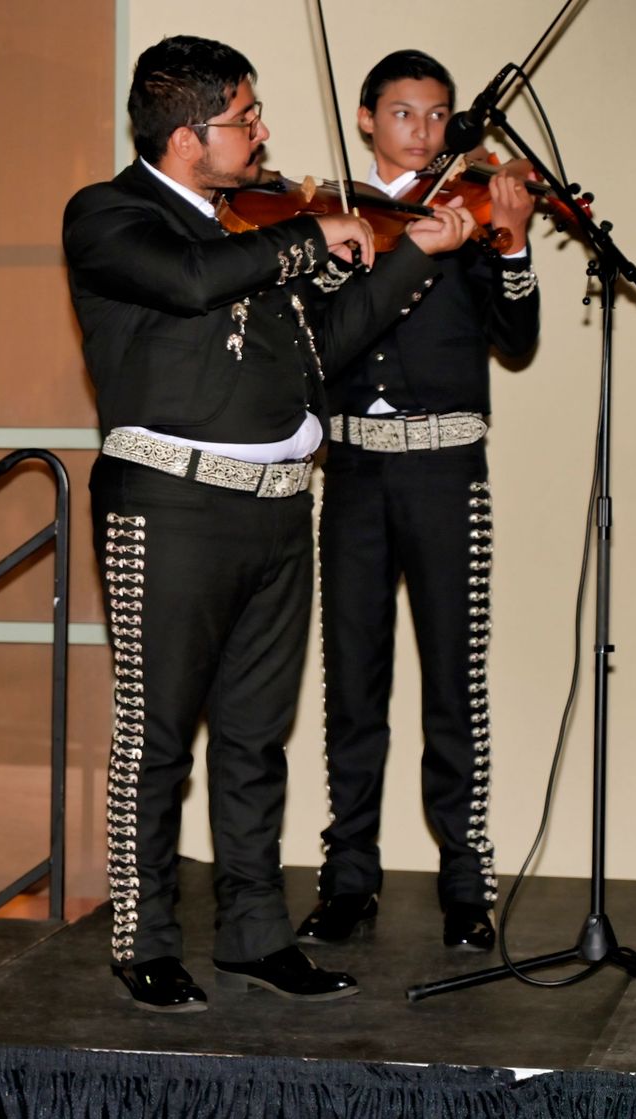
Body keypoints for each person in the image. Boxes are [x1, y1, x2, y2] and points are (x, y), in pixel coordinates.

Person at [63, 35, 477, 1014]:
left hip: (280, 509)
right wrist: (311, 235)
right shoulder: (111, 215)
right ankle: (144, 939)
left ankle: (254, 934)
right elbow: (191, 281)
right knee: (157, 736)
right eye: (245, 117)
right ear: (187, 133)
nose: (260, 133)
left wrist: (410, 256)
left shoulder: (252, 227)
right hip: (170, 506)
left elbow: (326, 344)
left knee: (256, 739)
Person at [298, 50, 540, 953]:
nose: (425, 132)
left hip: (447, 473)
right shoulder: (327, 219)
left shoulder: (470, 213)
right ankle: (347, 880)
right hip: (353, 476)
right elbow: (317, 343)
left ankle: (467, 887)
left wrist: (510, 243)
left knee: (454, 682)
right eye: (405, 114)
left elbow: (518, 339)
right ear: (367, 118)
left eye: (439, 116)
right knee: (352, 686)